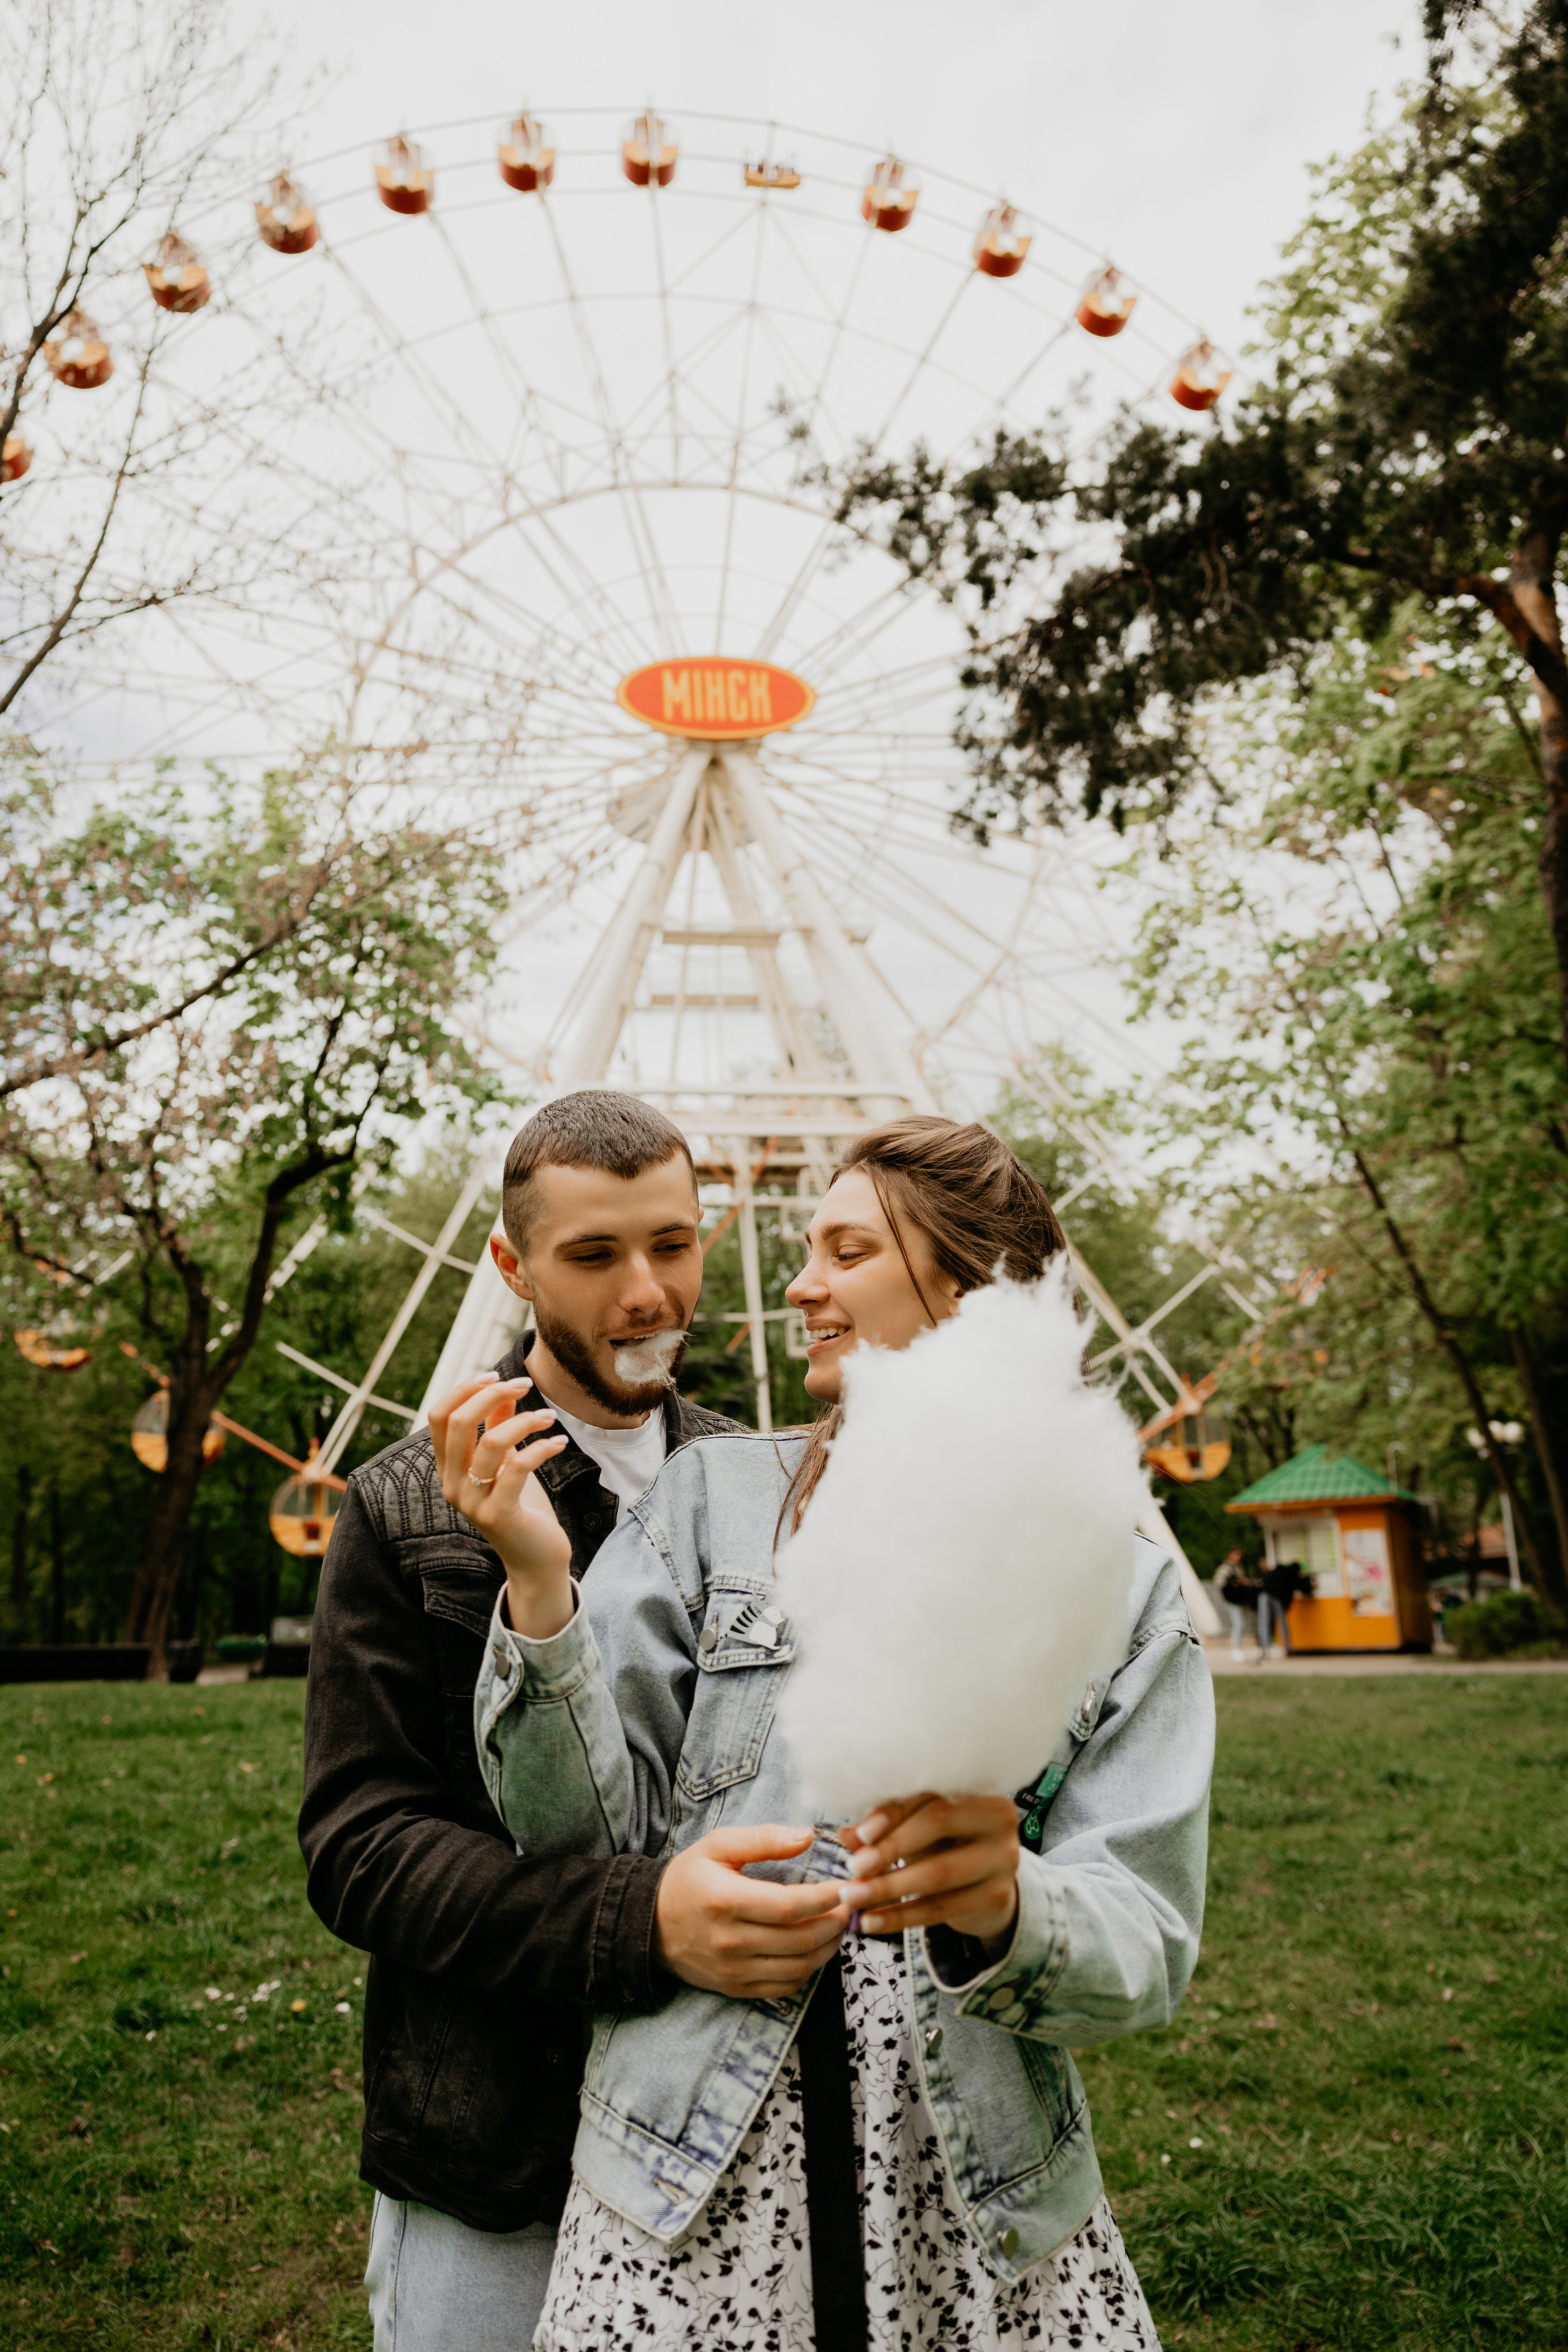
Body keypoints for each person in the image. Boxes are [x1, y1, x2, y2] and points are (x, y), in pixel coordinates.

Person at [441, 1115, 1216, 2351]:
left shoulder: (1116, 1584)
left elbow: (1147, 1947)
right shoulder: (713, 1501)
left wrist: (1007, 1904)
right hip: (687, 2170)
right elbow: (569, 1828)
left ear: (968, 1286)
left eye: (845, 1251)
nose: (798, 1285)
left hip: (976, 2189)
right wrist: (537, 1583)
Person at [300, 1091, 783, 2352]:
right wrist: (641, 1922)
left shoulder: (762, 1488)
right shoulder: (404, 1509)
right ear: (511, 1266)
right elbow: (363, 1849)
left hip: (717, 2130)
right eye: (593, 1255)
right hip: (497, 2145)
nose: (645, 1293)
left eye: (672, 1245)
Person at [1256, 1555, 1311, 1660]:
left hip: (1264, 1596)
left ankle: (1265, 1651)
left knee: (1264, 1623)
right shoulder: (1293, 1576)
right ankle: (1287, 1649)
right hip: (1276, 1599)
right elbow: (1304, 1589)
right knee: (1282, 1623)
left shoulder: (1279, 1569)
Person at [1213, 1546, 1259, 1662]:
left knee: (1240, 1623)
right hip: (1231, 1600)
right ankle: (1235, 1649)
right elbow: (1218, 1581)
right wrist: (1234, 1582)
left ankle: (1237, 1648)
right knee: (1238, 1624)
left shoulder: (1238, 1567)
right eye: (1235, 1554)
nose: (1238, 1557)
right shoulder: (1226, 1568)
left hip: (1238, 1600)